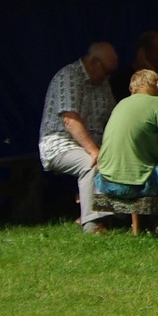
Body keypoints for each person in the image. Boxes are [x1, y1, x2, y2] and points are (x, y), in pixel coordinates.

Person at [93, 69, 158, 234]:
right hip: (135, 185)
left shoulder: (121, 104)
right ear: (157, 84)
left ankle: (137, 228)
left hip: (105, 182)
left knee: (140, 164)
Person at [38, 41, 119, 231]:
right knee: (90, 165)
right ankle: (92, 225)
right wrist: (94, 151)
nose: (108, 76)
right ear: (94, 62)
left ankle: (120, 216)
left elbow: (112, 116)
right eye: (107, 71)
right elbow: (70, 120)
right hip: (61, 143)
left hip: (93, 143)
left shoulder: (103, 84)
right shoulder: (68, 77)